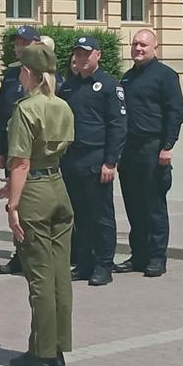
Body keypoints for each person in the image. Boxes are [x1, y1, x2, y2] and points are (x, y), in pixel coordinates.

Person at [3, 43, 74, 366]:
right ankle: (58, 348)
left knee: (40, 278)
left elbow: (21, 162)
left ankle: (41, 352)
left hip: (33, 192)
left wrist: (13, 204)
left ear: (28, 73)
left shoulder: (26, 108)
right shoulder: (62, 105)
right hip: (58, 187)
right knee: (60, 275)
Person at [114, 29, 183, 278]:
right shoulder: (127, 78)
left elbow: (175, 113)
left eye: (143, 44)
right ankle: (139, 255)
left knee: (153, 206)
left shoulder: (165, 76)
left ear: (155, 47)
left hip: (153, 149)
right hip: (129, 151)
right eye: (134, 44)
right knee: (134, 206)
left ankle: (156, 257)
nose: (138, 48)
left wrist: (167, 146)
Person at [58, 36, 126, 286]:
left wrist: (111, 162)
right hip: (72, 162)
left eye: (87, 53)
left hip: (97, 162)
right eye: (78, 53)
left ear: (98, 55)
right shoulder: (67, 88)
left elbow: (118, 126)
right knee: (80, 216)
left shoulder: (109, 86)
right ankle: (84, 263)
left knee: (101, 216)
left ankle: (104, 265)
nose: (82, 58)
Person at [0, 25, 41, 275]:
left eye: (26, 43)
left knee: (34, 204)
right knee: (17, 202)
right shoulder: (11, 75)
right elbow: (2, 114)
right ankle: (20, 253)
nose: (20, 47)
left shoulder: (46, 74)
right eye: (18, 43)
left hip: (38, 154)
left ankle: (35, 254)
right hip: (15, 150)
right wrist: (0, 150)